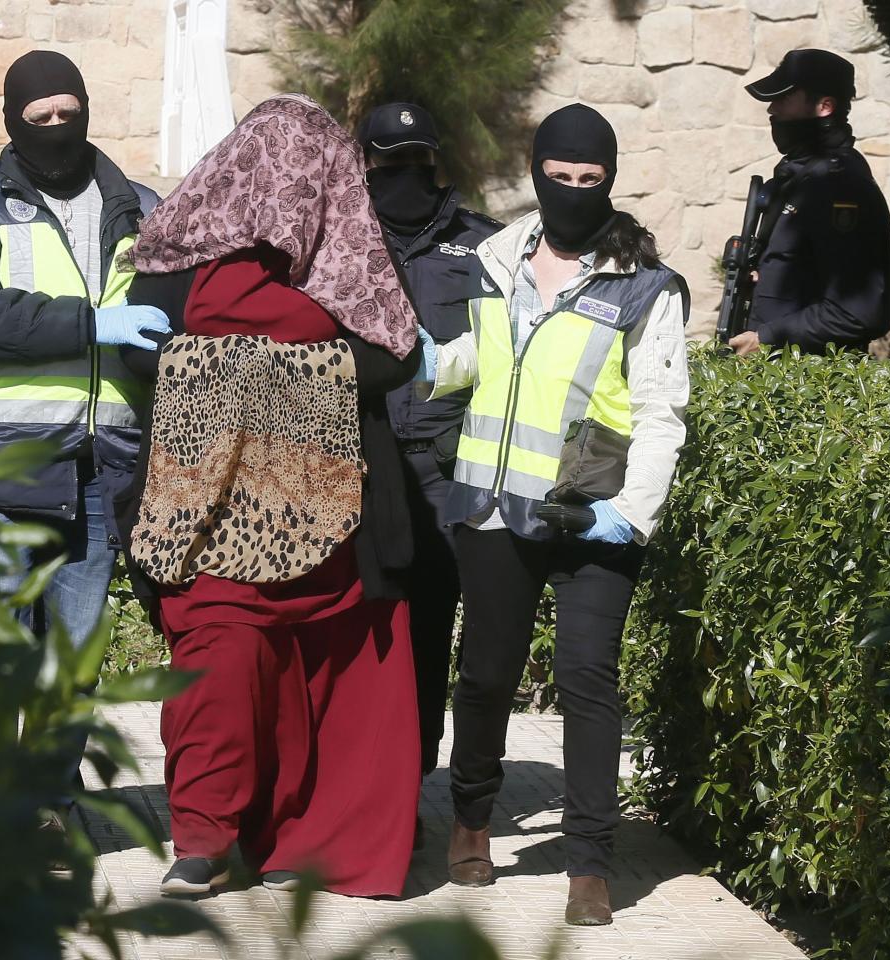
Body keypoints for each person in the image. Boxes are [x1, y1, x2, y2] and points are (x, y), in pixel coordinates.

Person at [118, 94, 425, 898]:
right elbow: (143, 351)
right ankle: (204, 838)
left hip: (336, 516)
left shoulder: (349, 256)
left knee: (345, 679)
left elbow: (393, 355)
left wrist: (242, 362)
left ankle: (313, 846)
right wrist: (294, 355)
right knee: (219, 662)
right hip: (208, 514)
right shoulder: (175, 260)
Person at [422, 104, 690, 926]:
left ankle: (588, 863)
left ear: (611, 179)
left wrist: (631, 515)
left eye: (591, 179)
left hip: (590, 517)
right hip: (496, 508)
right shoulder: (497, 255)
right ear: (536, 172)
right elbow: (490, 356)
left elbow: (660, 412)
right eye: (559, 176)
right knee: (488, 674)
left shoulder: (645, 286)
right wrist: (437, 364)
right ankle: (470, 823)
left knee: (586, 680)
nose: (573, 191)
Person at [0, 52, 167, 732]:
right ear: (11, 121)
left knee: (73, 660)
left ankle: (51, 808)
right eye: (39, 118)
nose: (57, 127)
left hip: (100, 468)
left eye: (69, 114)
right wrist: (93, 324)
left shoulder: (141, 208)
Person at [357, 102, 502, 808]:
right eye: (390, 161)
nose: (403, 175)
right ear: (367, 163)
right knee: (361, 626)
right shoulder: (340, 240)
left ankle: (410, 781)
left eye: (416, 160)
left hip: (448, 468)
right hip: (360, 465)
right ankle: (361, 779)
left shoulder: (485, 248)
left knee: (431, 629)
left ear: (435, 159)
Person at [727, 48, 890, 356]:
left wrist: (766, 338)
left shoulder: (838, 184)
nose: (771, 110)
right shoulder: (800, 177)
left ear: (824, 106)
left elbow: (856, 313)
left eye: (783, 98)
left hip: (818, 393)